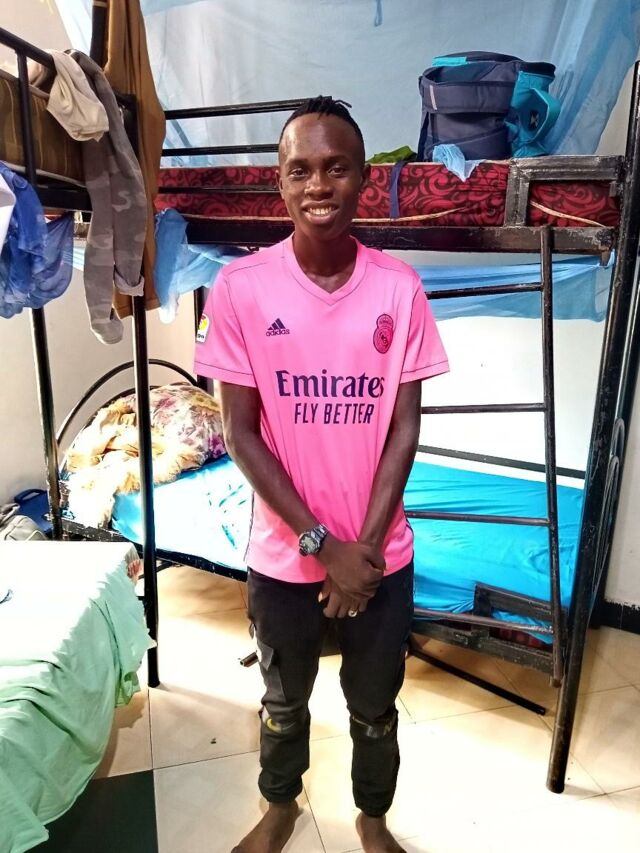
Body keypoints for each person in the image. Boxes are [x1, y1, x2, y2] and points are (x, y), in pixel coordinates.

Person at [194, 96, 449, 853]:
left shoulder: (398, 288)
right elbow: (240, 434)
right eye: (300, 169)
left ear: (364, 177)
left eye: (336, 167)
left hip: (377, 556)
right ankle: (280, 806)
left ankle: (372, 817)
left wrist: (359, 553)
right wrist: (320, 544)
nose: (318, 185)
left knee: (375, 708)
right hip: (284, 557)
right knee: (282, 702)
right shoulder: (241, 288)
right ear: (279, 181)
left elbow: (404, 427)